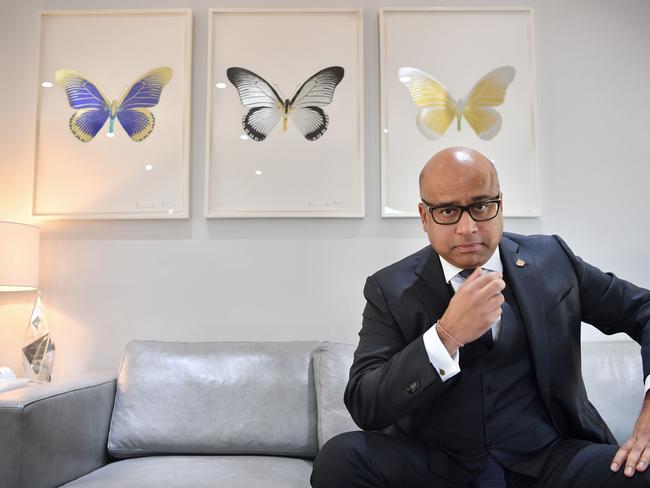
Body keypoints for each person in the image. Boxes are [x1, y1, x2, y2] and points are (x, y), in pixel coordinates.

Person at [310, 147, 650, 487]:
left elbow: (643, 311)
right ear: (424, 217)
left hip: (551, 461)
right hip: (440, 467)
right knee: (340, 459)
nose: (468, 227)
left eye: (481, 206)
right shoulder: (390, 289)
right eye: (447, 210)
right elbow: (366, 405)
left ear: (500, 205)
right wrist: (446, 336)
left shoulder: (552, 260)